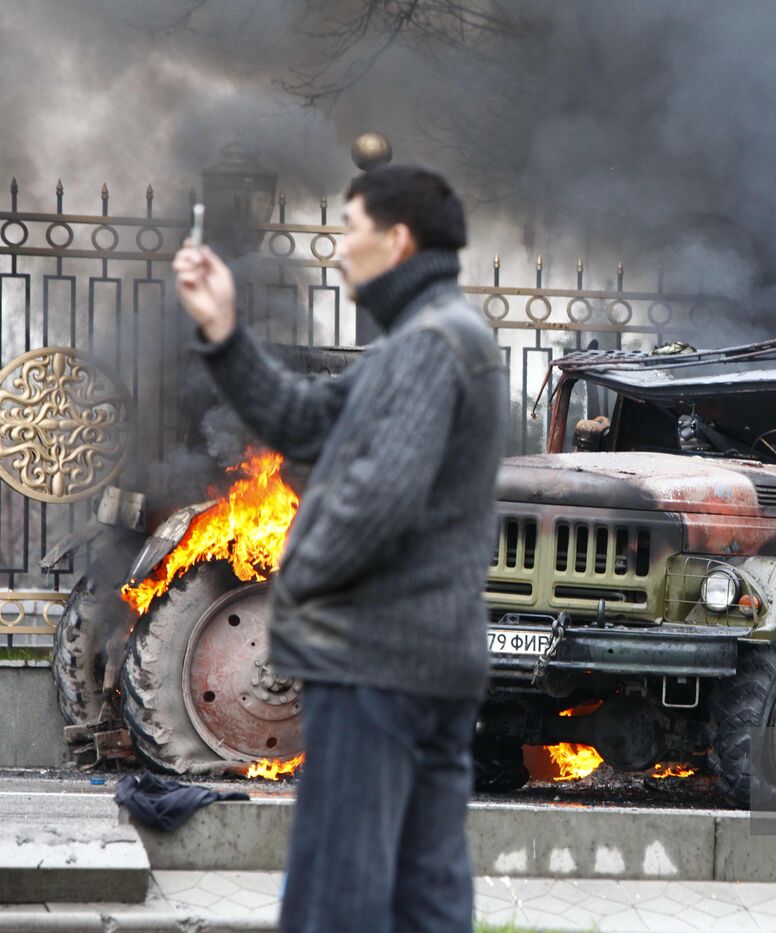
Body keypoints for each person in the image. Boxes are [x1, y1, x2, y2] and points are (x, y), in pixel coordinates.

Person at [173, 165, 506, 933]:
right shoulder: (427, 341)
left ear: (397, 240)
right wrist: (224, 331)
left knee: (339, 897)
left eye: (348, 227)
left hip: (376, 665)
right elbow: (300, 418)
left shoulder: (430, 345)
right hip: (419, 662)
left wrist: (298, 577)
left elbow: (380, 500)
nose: (337, 247)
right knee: (424, 895)